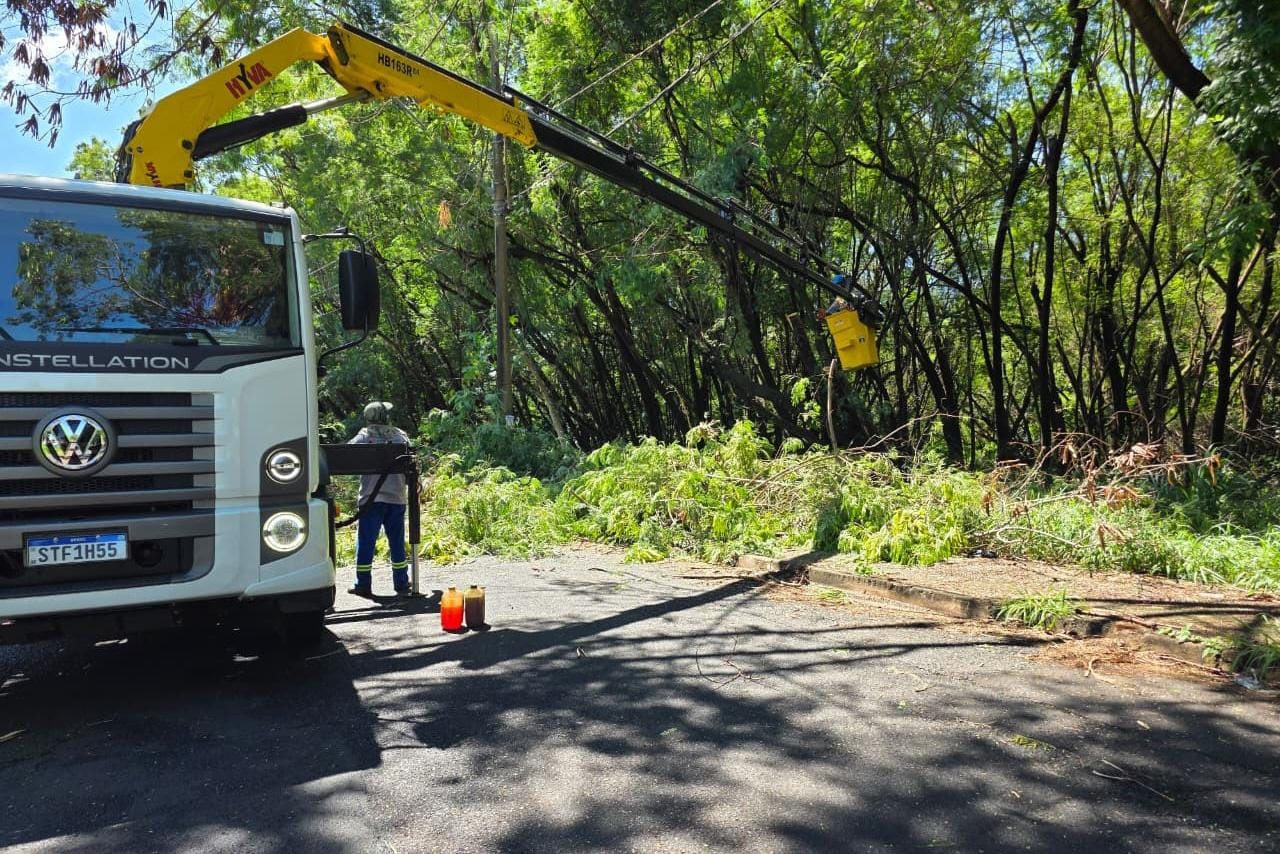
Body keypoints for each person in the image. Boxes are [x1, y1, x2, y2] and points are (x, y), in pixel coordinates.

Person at [347, 400, 412, 597]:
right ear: (386, 417)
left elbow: (346, 453)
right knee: (397, 542)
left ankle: (363, 584)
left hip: (370, 499)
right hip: (397, 498)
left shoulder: (364, 436)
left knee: (366, 541)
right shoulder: (401, 437)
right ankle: (401, 582)